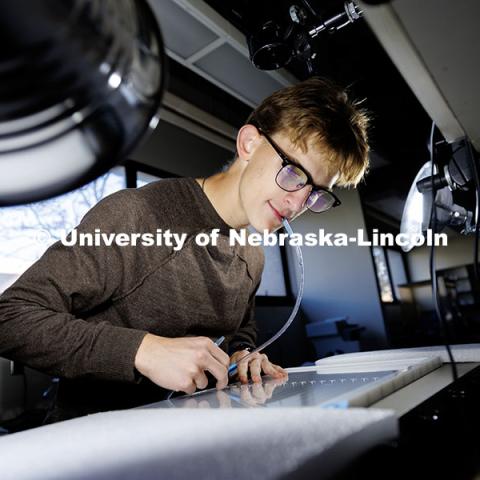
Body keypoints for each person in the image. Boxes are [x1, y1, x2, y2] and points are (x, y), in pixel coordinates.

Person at [0, 77, 369, 421]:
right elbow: (11, 318)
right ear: (249, 144)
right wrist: (141, 351)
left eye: (316, 193)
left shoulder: (253, 255)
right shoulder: (137, 215)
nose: (297, 203)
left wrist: (242, 356)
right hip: (95, 445)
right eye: (293, 173)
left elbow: (241, 329)